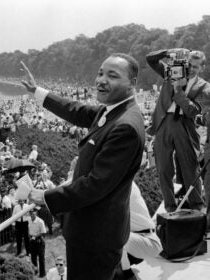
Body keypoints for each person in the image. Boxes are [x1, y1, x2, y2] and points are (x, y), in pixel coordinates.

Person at [21, 53, 145, 280]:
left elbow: (95, 185)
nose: (101, 80)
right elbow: (76, 110)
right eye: (100, 73)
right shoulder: (112, 110)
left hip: (96, 237)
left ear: (132, 84)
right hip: (93, 231)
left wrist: (46, 196)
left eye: (112, 75)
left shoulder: (125, 126)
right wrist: (36, 91)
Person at [146, 49, 210, 212]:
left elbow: (195, 112)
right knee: (163, 167)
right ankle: (170, 206)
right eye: (189, 64)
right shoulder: (171, 72)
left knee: (190, 167)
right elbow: (151, 59)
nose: (191, 68)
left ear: (202, 68)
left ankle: (197, 205)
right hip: (163, 123)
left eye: (196, 67)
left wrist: (178, 90)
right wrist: (167, 52)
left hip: (184, 125)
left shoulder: (204, 87)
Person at [118, 182, 162, 280]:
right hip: (136, 238)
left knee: (115, 235)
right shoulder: (121, 181)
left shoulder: (124, 186)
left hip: (147, 239)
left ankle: (127, 274)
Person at [28, 208, 46, 278]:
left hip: (39, 241)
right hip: (32, 241)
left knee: (41, 258)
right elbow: (29, 228)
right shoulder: (29, 220)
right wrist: (29, 235)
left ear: (36, 213)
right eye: (31, 213)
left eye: (33, 213)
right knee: (33, 258)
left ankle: (42, 273)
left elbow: (44, 232)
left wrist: (35, 236)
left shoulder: (40, 221)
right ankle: (35, 272)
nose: (32, 214)